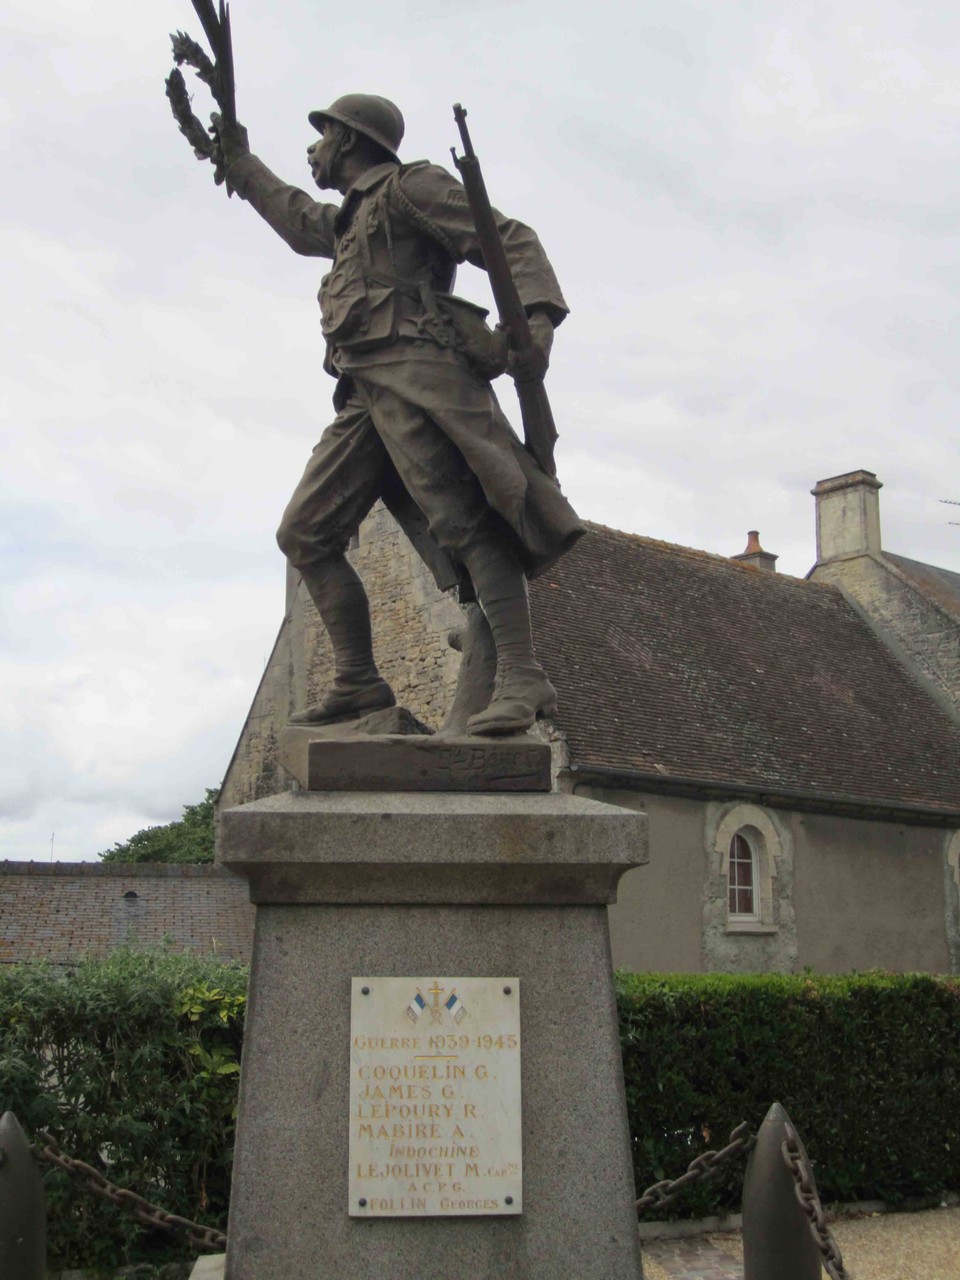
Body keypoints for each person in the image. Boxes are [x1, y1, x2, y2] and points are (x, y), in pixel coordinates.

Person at [210, 93, 583, 734]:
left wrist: (538, 322)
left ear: (351, 140)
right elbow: (296, 215)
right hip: (362, 393)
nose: (312, 149)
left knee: (468, 525)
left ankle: (521, 672)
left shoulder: (413, 187)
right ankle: (358, 681)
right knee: (305, 533)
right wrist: (240, 161)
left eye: (321, 135)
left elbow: (509, 239)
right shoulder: (349, 221)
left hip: (419, 376)